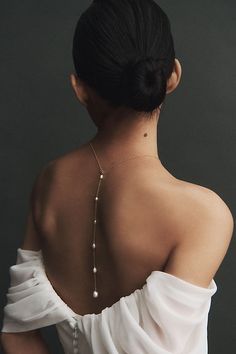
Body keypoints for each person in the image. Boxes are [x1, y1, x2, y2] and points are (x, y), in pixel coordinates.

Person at [1, 0, 234, 353]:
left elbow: (16, 336)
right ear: (173, 75)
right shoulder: (204, 216)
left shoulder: (50, 183)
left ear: (80, 88)